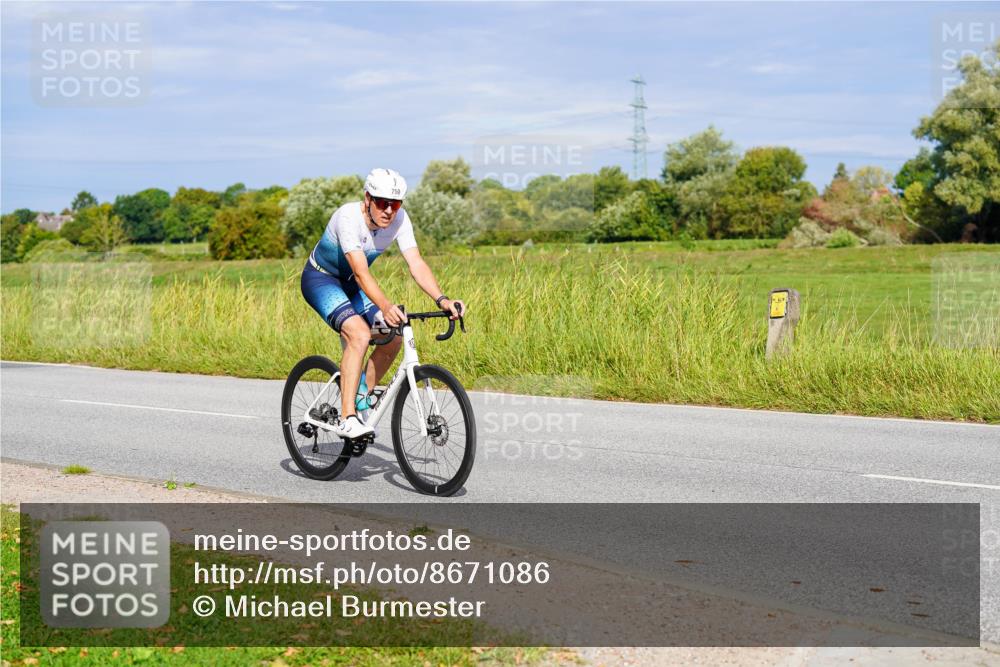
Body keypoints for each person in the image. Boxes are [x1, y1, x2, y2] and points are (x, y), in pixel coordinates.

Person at [300, 168, 465, 439]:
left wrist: (442, 299)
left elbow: (416, 263)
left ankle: (360, 394)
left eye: (395, 204)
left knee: (392, 338)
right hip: (322, 280)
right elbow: (362, 272)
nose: (389, 211)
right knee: (360, 335)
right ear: (367, 199)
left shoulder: (400, 220)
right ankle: (347, 417)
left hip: (352, 285)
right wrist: (386, 307)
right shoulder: (348, 217)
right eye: (382, 203)